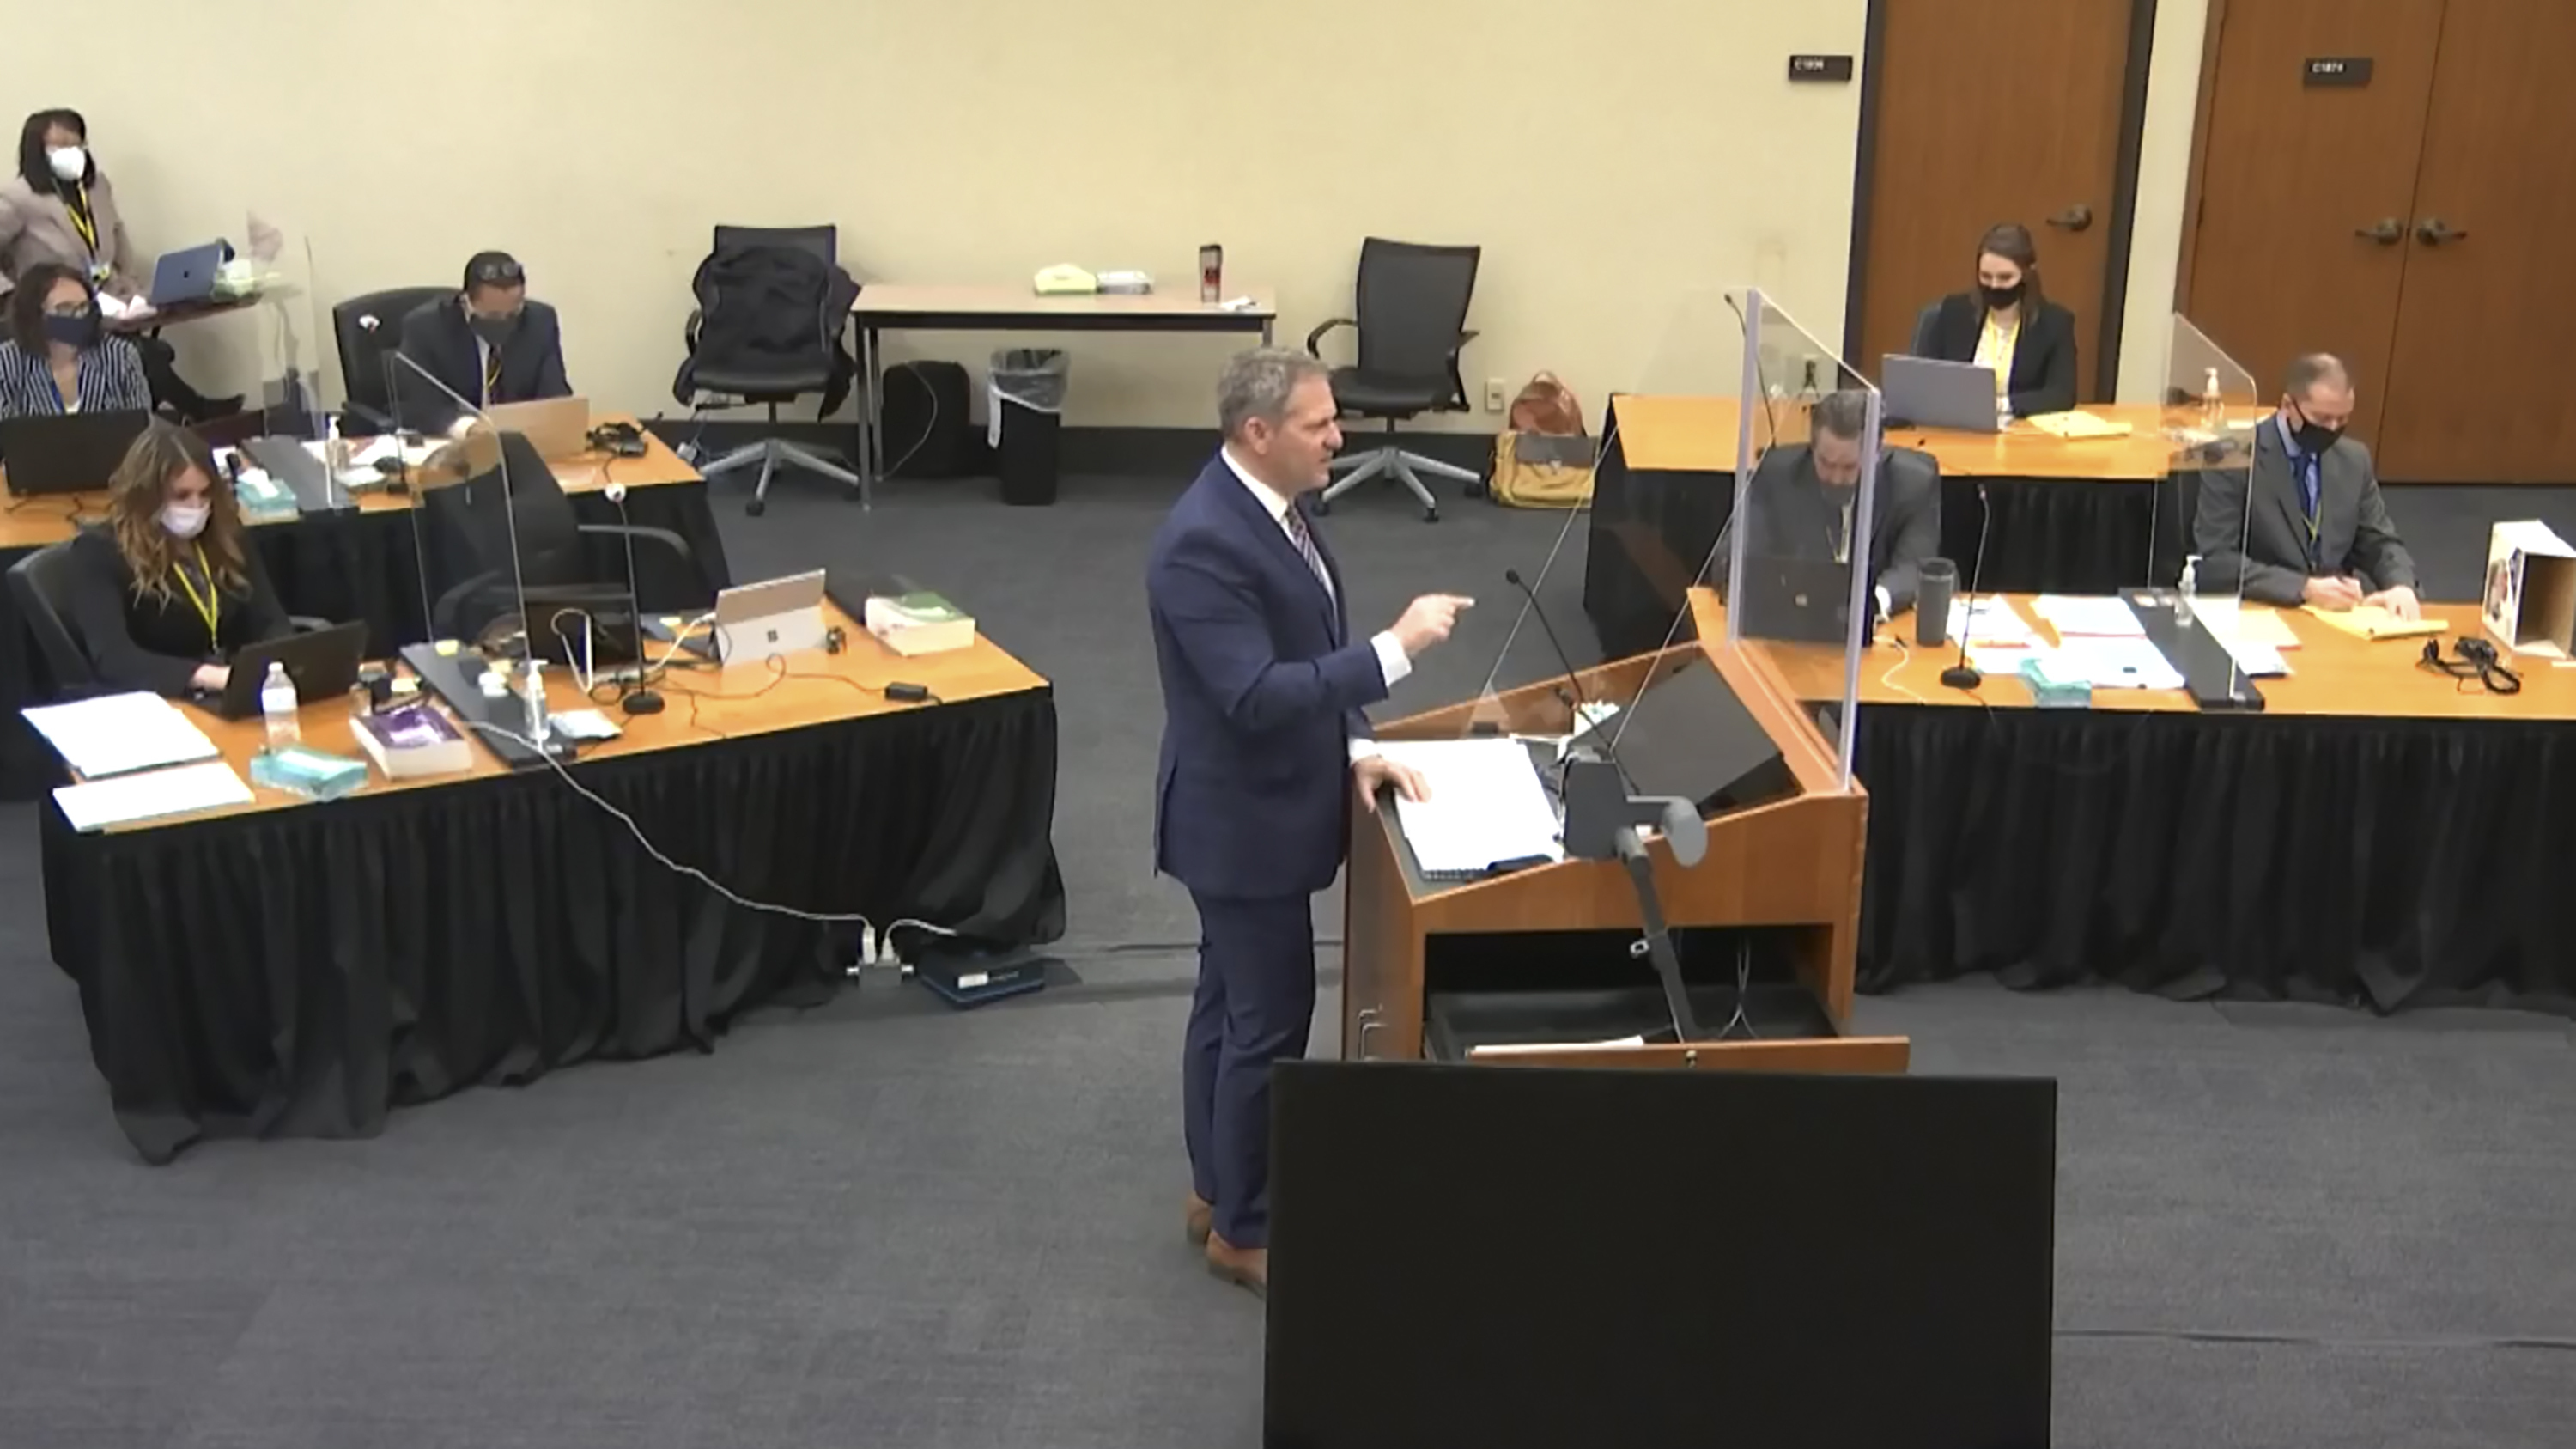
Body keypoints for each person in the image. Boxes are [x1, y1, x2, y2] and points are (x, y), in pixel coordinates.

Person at [1146, 347, 1473, 1297]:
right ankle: (1244, 1231)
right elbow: (1251, 694)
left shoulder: (1278, 514)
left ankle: (1216, 1186)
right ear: (1257, 433)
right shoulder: (1202, 542)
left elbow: (1304, 652)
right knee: (1267, 1023)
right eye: (1319, 424)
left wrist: (1356, 748)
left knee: (1229, 1003)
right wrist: (1396, 650)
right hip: (1239, 825)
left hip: (1267, 801)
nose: (1341, 436)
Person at [0, 109, 238, 422]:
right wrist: (11, 295)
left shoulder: (96, 187)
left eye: (78, 144)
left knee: (143, 353)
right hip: (54, 311)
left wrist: (129, 282)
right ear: (36, 151)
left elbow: (117, 235)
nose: (72, 153)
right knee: (147, 356)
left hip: (108, 301)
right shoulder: (16, 198)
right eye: (60, 146)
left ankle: (185, 415)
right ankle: (197, 411)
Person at [59, 418, 291, 697]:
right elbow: (113, 658)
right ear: (146, 495)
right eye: (181, 496)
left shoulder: (226, 536)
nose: (196, 506)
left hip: (233, 691)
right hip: (161, 700)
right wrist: (204, 675)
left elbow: (271, 621)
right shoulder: (100, 551)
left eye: (205, 494)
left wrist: (278, 665)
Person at [2191, 353, 2420, 618]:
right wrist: (2304, 588)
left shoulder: (2354, 460)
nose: (2333, 429)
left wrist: (2400, 585)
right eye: (2322, 419)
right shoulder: (2233, 456)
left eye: (2342, 419)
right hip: (2261, 612)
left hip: (2336, 618)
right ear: (2288, 405)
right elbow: (2215, 561)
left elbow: (2380, 542)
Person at [1709, 389, 1941, 624]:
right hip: (1797, 629)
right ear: (1812, 448)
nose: (1836, 478)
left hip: (1876, 639)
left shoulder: (1913, 485)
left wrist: (1871, 604)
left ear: (1876, 454)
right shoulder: (1777, 475)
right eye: (1826, 463)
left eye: (1850, 467)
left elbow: (1914, 567)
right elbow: (1730, 558)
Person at [1908, 222, 2079, 419]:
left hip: (2017, 431)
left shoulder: (2054, 323)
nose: (1994, 285)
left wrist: (2000, 405)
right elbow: (1924, 380)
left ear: (2027, 274)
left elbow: (2061, 395)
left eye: (2005, 278)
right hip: (1953, 425)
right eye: (1986, 276)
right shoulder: (1953, 312)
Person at [394, 251, 570, 432]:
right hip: (453, 445)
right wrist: (468, 428)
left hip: (522, 441)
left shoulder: (540, 322)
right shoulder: (426, 327)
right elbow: (420, 405)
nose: (504, 322)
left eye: (513, 314)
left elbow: (555, 394)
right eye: (493, 316)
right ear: (466, 302)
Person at [0, 261, 148, 417]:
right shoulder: (6, 363)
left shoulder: (120, 356)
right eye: (66, 308)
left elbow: (144, 428)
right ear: (35, 315)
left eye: (83, 307)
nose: (78, 316)